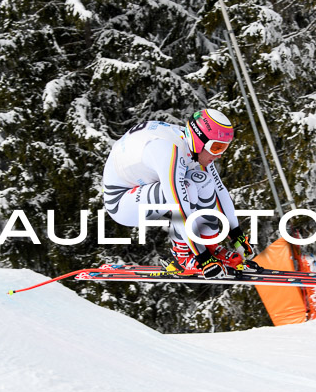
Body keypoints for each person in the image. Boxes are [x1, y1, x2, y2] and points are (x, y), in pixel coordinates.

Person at [102, 109, 254, 279]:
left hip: (143, 186)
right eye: (217, 147)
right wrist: (202, 257)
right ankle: (182, 256)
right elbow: (179, 207)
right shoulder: (168, 152)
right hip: (121, 201)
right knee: (187, 187)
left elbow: (219, 190)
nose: (219, 155)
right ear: (199, 141)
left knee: (202, 180)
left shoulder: (195, 146)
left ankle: (210, 245)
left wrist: (236, 234)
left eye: (224, 148)